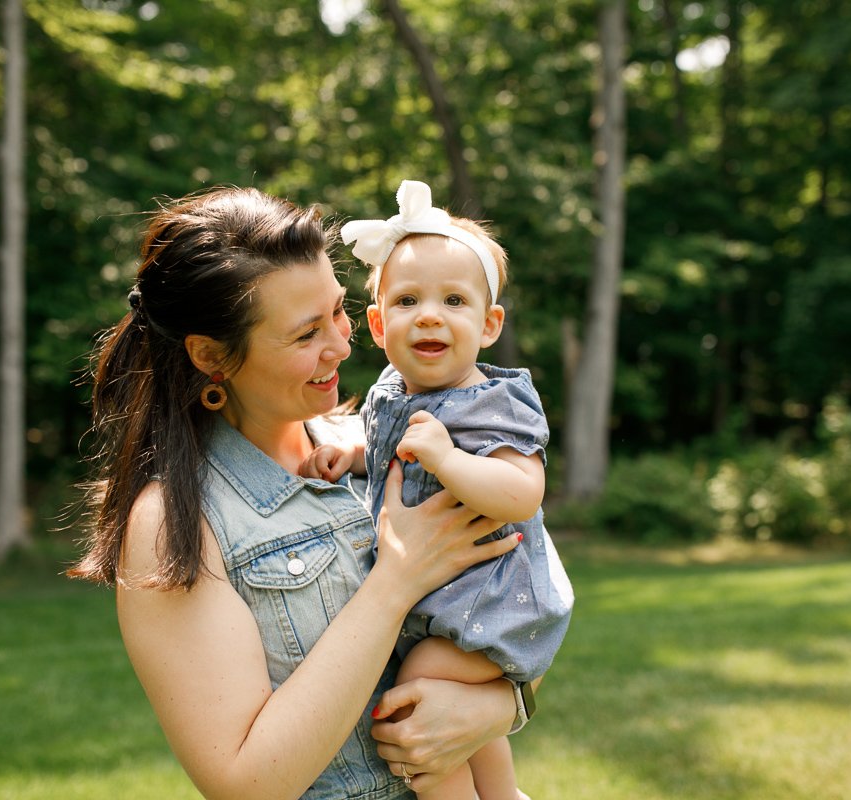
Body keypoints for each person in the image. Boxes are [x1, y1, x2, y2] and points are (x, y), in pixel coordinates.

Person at [68, 186, 532, 800]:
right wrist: (395, 581)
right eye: (306, 332)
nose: (342, 344)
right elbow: (246, 785)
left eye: (339, 311)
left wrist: (499, 708)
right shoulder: (172, 524)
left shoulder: (370, 440)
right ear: (213, 356)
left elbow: (513, 611)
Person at [299, 181, 574, 800]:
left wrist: (449, 459)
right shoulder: (391, 393)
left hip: (492, 602)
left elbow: (521, 492)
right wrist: (353, 454)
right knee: (434, 694)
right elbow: (392, 458)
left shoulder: (494, 402)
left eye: (454, 299)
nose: (429, 314)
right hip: (438, 603)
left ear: (489, 323)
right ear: (377, 323)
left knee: (415, 694)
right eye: (407, 300)